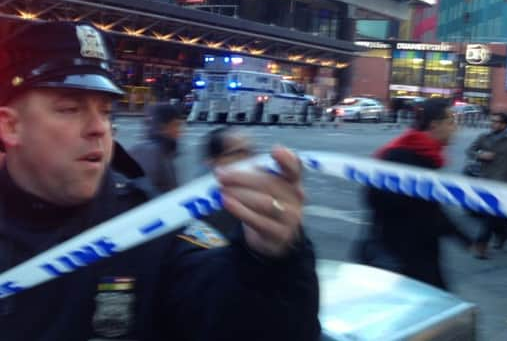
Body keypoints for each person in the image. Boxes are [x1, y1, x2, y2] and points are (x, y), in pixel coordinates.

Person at [0, 21, 320, 340]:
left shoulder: (148, 225)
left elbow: (237, 320)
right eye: (70, 109)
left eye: (106, 111)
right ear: (11, 127)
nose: (98, 128)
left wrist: (273, 262)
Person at [357, 98, 472, 290]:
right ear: (434, 125)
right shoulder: (401, 156)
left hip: (418, 256)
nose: (455, 129)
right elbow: (374, 198)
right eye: (451, 122)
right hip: (399, 260)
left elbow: (431, 209)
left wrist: (463, 238)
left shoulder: (426, 156)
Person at [467, 112, 507, 259]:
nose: (494, 124)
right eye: (492, 121)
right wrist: (480, 155)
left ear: (505, 125)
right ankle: (503, 234)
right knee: (492, 216)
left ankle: (481, 246)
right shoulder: (483, 137)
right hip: (484, 181)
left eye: (498, 122)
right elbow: (469, 151)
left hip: (502, 184)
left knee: (490, 216)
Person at [200, 126, 256, 236]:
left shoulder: (258, 198)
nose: (250, 159)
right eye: (239, 153)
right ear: (212, 162)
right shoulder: (203, 208)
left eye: (251, 152)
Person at [129, 103, 182, 193]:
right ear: (164, 127)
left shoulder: (164, 150)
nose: (180, 131)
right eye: (176, 125)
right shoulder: (151, 153)